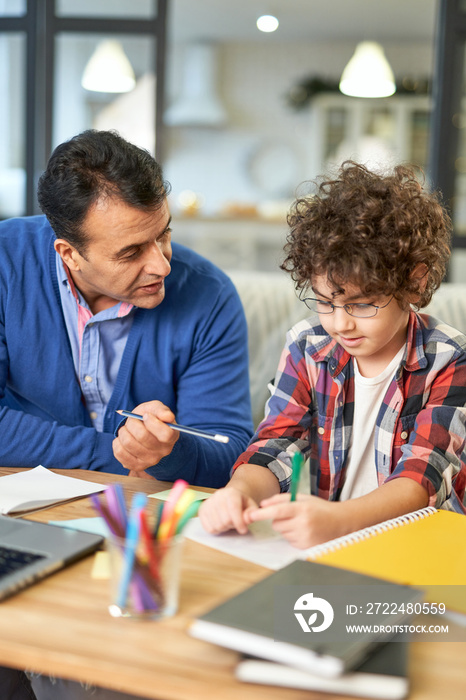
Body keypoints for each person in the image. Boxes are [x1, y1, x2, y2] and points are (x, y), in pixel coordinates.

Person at [199, 161, 466, 549]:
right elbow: (276, 443)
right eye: (325, 302)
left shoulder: (449, 359)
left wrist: (338, 520)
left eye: (361, 305)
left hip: (423, 545)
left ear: (414, 282)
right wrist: (239, 491)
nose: (340, 324)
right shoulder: (308, 347)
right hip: (333, 542)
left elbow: (421, 477)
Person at [0, 129, 253, 487]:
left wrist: (168, 454)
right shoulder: (5, 263)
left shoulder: (209, 295)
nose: (162, 266)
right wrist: (115, 453)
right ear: (69, 254)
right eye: (131, 252)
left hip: (144, 512)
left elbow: (229, 449)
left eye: (163, 234)